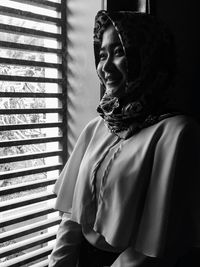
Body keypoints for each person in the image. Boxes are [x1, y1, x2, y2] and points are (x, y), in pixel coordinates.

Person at [48, 10, 200, 267]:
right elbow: (72, 216)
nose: (105, 66)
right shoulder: (98, 126)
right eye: (102, 54)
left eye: (119, 52)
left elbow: (157, 246)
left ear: (148, 55)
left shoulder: (178, 133)